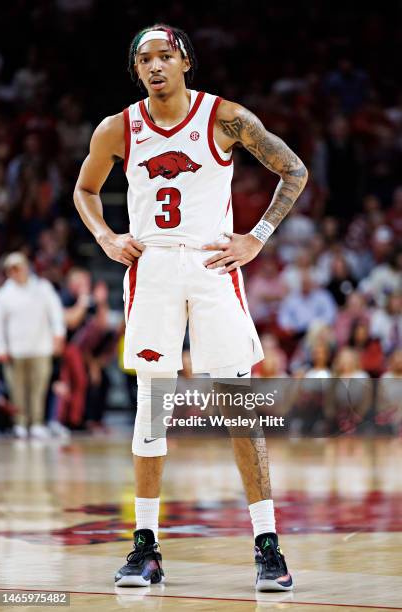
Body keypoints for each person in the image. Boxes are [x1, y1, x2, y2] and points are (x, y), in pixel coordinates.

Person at [74, 24, 308, 592]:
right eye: (144, 59)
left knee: (237, 401)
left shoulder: (224, 117)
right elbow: (84, 191)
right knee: (151, 406)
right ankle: (146, 547)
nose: (154, 66)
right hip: (151, 269)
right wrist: (106, 238)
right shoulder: (117, 128)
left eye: (165, 56)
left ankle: (267, 544)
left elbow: (293, 170)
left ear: (186, 63)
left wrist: (257, 236)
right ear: (136, 70)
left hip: (211, 266)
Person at [0, 252, 65, 438]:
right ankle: (20, 423)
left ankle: (37, 423)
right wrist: (1, 348)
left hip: (41, 347)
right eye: (11, 269)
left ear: (26, 267)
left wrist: (58, 335)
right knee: (17, 390)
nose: (16, 272)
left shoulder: (42, 288)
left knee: (38, 388)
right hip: (15, 350)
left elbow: (56, 313)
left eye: (18, 267)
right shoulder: (3, 295)